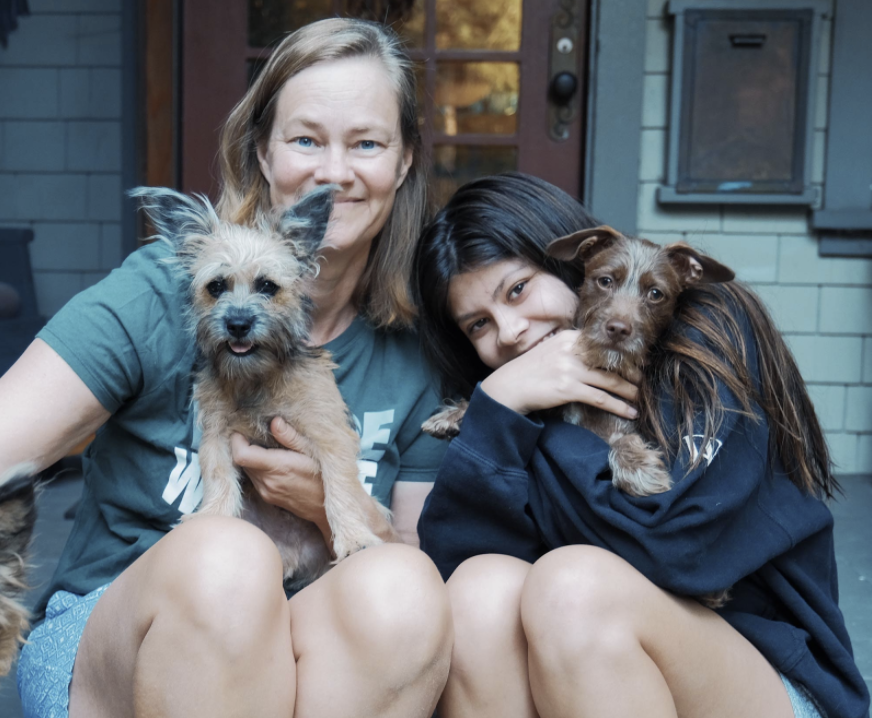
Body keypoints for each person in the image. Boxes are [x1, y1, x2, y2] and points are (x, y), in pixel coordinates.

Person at [2, 18, 453, 718]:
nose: (334, 171)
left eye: (366, 143)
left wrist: (323, 509)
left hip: (302, 643)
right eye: (306, 139)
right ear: (264, 155)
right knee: (227, 560)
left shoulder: (415, 346)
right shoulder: (158, 290)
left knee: (402, 586)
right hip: (115, 639)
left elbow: (414, 555)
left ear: (402, 161)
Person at [414, 172, 870, 718]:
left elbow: (674, 552)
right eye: (479, 324)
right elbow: (456, 561)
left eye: (517, 290)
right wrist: (500, 410)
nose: (510, 331)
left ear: (571, 264)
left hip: (768, 672)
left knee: (573, 589)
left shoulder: (705, 339)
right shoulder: (511, 398)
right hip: (600, 679)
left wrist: (542, 427)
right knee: (479, 594)